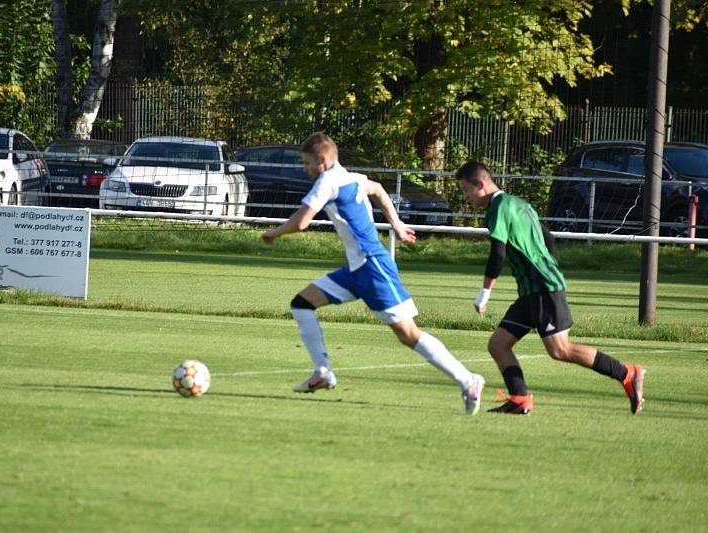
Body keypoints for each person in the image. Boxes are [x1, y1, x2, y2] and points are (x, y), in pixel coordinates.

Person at [262, 133, 485, 415]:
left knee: (408, 334)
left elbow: (302, 222)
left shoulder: (328, 180)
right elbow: (378, 188)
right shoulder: (352, 177)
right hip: (356, 269)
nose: (305, 169)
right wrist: (397, 225)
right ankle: (323, 372)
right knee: (302, 303)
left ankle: (469, 381)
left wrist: (274, 232)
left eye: (307, 163)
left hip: (373, 266)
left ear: (322, 160)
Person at [455, 160, 645, 415]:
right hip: (535, 289)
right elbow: (549, 238)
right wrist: (548, 267)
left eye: (467, 190)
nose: (466, 197)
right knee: (498, 344)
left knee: (560, 349)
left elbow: (498, 254)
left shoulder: (497, 208)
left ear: (481, 184)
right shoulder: (519, 203)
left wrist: (484, 293)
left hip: (542, 288)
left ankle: (627, 373)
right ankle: (520, 399)